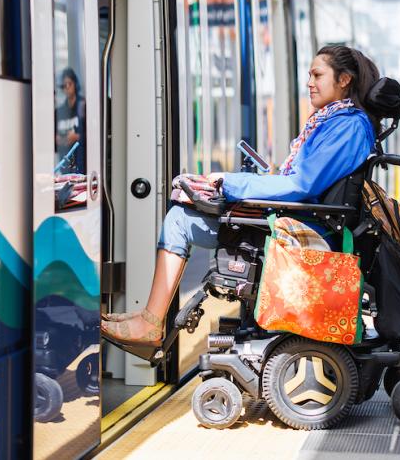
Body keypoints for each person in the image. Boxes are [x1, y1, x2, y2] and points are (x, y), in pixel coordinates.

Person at [101, 45, 381, 347]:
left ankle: (150, 323)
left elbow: (302, 185)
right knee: (188, 213)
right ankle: (149, 318)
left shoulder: (347, 126)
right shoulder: (340, 122)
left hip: (302, 230)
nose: (309, 83)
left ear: (344, 80)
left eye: (317, 75)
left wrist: (230, 183)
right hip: (305, 220)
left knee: (180, 220)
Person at [55, 67, 86, 174]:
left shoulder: (83, 106)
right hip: (66, 166)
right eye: (64, 85)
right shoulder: (60, 111)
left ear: (75, 84)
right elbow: (55, 138)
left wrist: (78, 137)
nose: (67, 88)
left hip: (83, 163)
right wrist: (58, 140)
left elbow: (95, 135)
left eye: (69, 84)